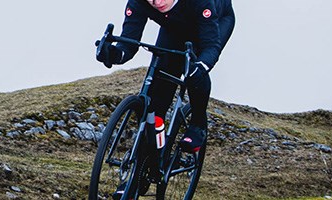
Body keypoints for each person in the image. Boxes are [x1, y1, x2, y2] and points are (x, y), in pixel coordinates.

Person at [97, 0, 235, 154]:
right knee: (157, 99)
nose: (157, 2)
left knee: (194, 70)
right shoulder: (139, 2)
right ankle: (155, 152)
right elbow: (128, 44)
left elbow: (211, 47)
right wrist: (113, 54)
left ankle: (197, 124)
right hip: (175, 27)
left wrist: (201, 66)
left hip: (215, 21)